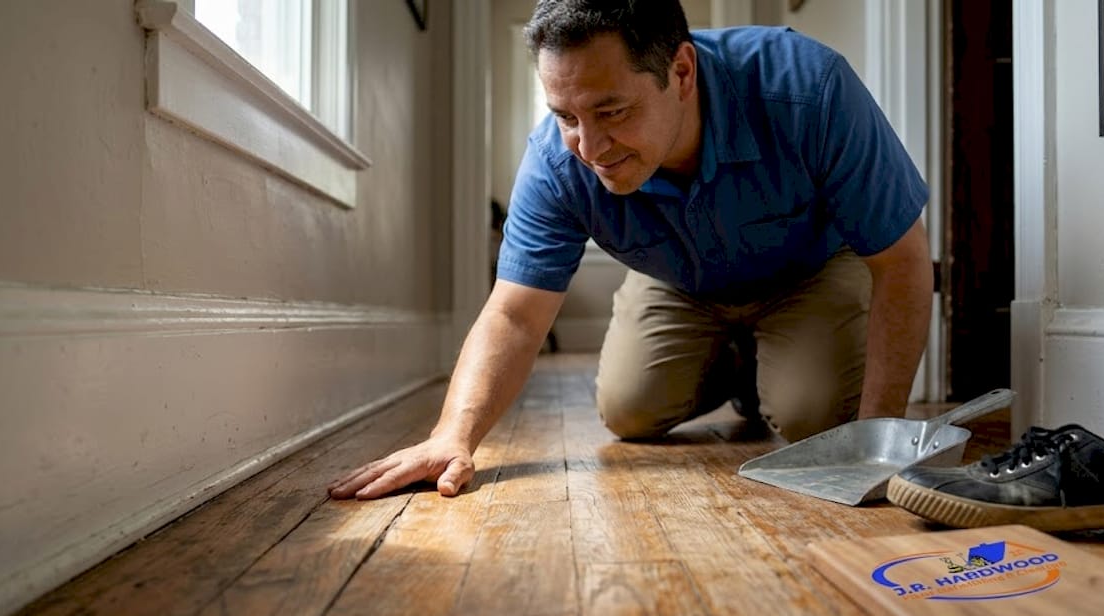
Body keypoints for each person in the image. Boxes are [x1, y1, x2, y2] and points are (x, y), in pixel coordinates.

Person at [330, 0, 932, 501]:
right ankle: (744, 366)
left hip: (811, 271)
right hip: (680, 284)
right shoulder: (556, 161)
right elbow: (514, 313)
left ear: (682, 72)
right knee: (628, 409)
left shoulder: (807, 88)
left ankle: (779, 367)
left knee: (814, 417)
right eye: (565, 115)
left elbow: (902, 260)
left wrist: (878, 443)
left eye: (611, 111)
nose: (589, 146)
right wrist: (451, 435)